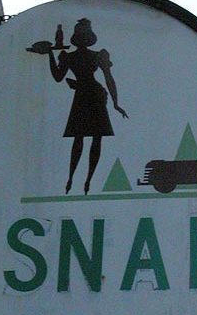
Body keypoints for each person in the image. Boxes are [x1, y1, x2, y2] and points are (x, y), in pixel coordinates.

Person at [34, 18, 127, 194]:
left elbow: (109, 78)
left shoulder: (98, 55)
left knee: (96, 138)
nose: (82, 38)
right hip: (82, 96)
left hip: (95, 95)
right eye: (80, 34)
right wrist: (50, 54)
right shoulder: (68, 56)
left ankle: (88, 180)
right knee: (79, 138)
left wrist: (116, 102)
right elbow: (58, 76)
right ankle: (70, 178)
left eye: (85, 34)